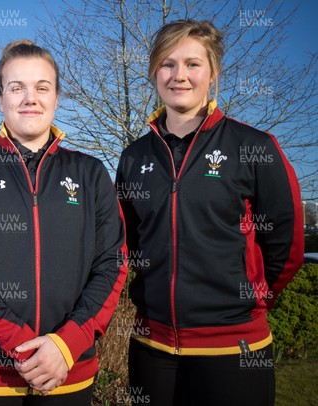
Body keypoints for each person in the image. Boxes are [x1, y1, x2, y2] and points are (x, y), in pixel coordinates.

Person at [0, 39, 129, 405]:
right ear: (0, 97)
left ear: (56, 96)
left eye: (41, 87)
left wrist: (66, 345)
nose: (29, 98)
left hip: (66, 373)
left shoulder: (91, 173)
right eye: (16, 87)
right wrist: (18, 342)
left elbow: (111, 266)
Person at [115, 20, 304, 406]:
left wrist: (252, 297)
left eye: (192, 64)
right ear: (154, 72)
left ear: (214, 73)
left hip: (234, 348)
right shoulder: (133, 157)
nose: (178, 75)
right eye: (167, 64)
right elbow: (125, 241)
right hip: (152, 348)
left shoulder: (254, 146)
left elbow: (287, 242)